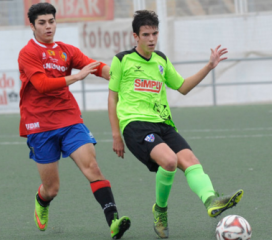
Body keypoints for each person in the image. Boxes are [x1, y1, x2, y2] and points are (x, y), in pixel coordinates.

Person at [108, 10, 243, 239]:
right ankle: (160, 211)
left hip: (164, 123)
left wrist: (209, 66)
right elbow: (112, 97)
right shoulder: (122, 60)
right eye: (146, 34)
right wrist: (116, 135)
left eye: (155, 33)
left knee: (191, 161)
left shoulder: (161, 59)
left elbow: (183, 87)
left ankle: (211, 200)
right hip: (135, 125)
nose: (152, 39)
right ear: (135, 36)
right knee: (170, 161)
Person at [18, 3, 130, 239]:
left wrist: (126, 74)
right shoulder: (28, 53)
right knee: (52, 189)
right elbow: (42, 85)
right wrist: (77, 76)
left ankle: (114, 221)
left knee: (93, 167)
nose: (48, 26)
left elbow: (96, 67)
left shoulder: (66, 50)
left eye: (51, 21)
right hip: (39, 125)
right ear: (32, 26)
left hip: (69, 119)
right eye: (42, 23)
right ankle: (42, 199)